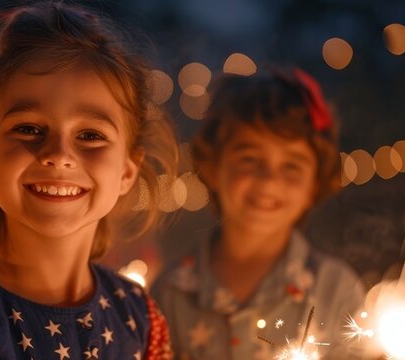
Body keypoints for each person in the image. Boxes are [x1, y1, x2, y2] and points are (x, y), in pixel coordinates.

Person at [0, 3, 179, 359]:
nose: (59, 154)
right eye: (28, 129)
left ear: (126, 171)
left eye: (90, 135)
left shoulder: (140, 318)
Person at [152, 68, 365, 359]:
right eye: (249, 159)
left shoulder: (335, 288)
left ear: (314, 186)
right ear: (213, 168)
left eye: (292, 166)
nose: (269, 181)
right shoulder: (171, 292)